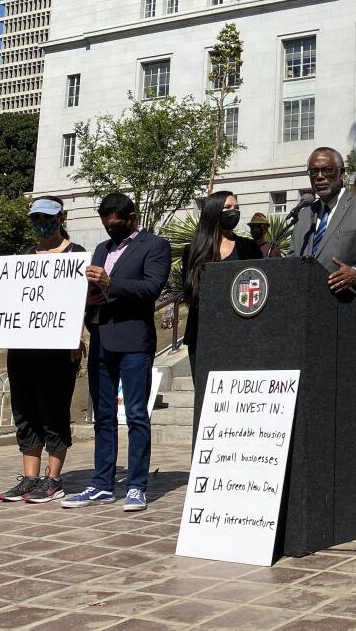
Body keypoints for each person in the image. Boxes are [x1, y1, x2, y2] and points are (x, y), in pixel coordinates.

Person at [292, 147, 356, 510]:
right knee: (319, 413)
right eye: (313, 171)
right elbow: (295, 264)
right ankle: (320, 484)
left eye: (326, 170)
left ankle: (352, 487)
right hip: (315, 333)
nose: (319, 177)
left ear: (341, 173)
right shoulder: (305, 215)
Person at [63, 193, 171, 513]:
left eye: (116, 225)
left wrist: (110, 282)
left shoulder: (155, 246)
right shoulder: (100, 249)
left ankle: (137, 485)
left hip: (134, 344)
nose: (111, 231)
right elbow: (93, 290)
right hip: (101, 340)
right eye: (106, 226)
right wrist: (90, 298)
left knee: (136, 415)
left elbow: (150, 289)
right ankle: (102, 484)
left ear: (132, 217)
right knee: (103, 418)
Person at [0, 197, 85, 504]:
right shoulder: (23, 256)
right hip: (21, 347)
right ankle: (30, 478)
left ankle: (54, 479)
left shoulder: (77, 255)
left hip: (57, 350)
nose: (41, 223)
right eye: (36, 218)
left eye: (47, 217)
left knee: (53, 410)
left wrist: (75, 338)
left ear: (61, 218)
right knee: (25, 411)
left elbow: (80, 302)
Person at [182, 191, 261, 385]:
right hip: (203, 336)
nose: (234, 212)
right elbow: (190, 292)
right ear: (213, 211)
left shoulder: (248, 247)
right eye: (227, 208)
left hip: (241, 336)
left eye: (236, 208)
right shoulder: (193, 250)